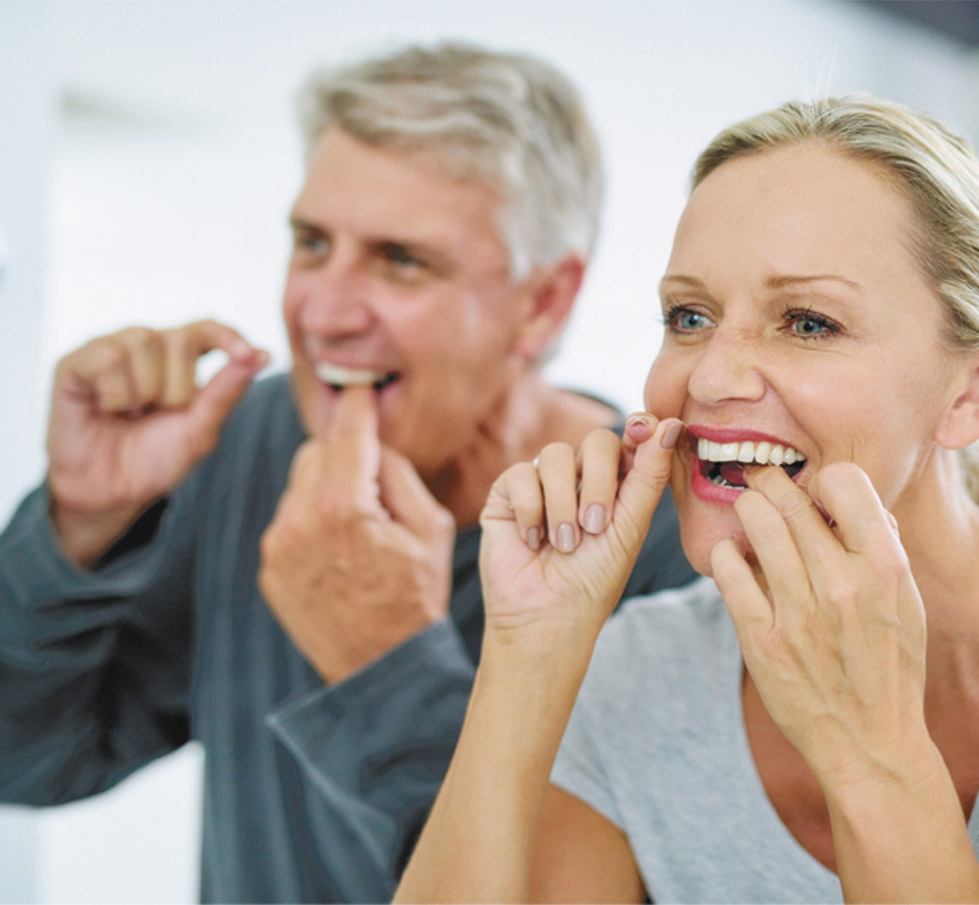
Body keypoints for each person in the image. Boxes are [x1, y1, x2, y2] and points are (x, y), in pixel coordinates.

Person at [0, 42, 695, 904]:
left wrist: (385, 665)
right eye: (311, 242)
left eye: (401, 259)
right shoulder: (253, 444)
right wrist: (79, 525)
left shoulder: (668, 545)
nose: (322, 313)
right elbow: (24, 759)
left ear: (542, 300)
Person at [395, 92, 979, 904]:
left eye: (806, 322)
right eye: (689, 315)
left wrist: (867, 751)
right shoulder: (643, 672)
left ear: (966, 391)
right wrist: (529, 658)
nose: (707, 378)